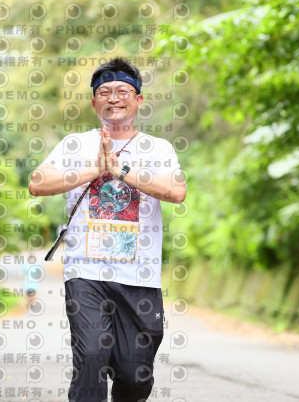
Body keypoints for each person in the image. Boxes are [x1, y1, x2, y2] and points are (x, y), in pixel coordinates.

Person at [28, 57, 186, 402]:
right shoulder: (74, 144)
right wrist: (94, 170)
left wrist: (122, 172)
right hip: (86, 273)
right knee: (91, 358)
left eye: (122, 91)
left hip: (140, 276)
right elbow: (37, 183)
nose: (114, 98)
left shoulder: (159, 148)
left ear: (138, 100)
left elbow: (176, 192)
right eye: (105, 92)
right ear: (94, 102)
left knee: (135, 374)